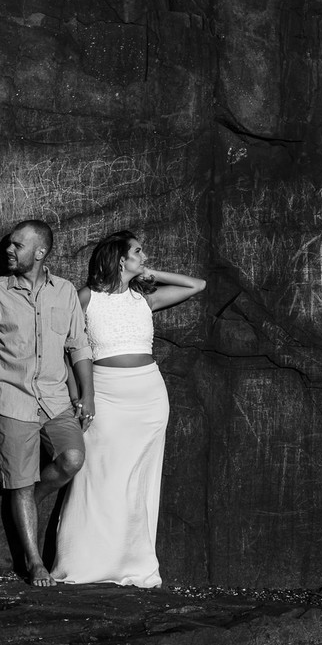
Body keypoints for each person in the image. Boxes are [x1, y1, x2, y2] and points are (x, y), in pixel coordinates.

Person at [51, 230, 205, 588]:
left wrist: (151, 274)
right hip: (104, 393)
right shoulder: (86, 297)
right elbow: (63, 348)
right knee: (97, 477)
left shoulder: (144, 299)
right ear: (120, 259)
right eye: (138, 252)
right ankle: (81, 563)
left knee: (139, 482)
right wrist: (78, 395)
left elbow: (197, 285)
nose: (144, 256)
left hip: (148, 396)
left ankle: (133, 564)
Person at [0, 219, 95, 587]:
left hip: (55, 399)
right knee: (19, 482)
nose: (9, 250)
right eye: (9, 244)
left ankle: (24, 505)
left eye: (17, 245)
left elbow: (78, 345)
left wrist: (88, 394)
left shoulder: (65, 291)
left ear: (40, 252)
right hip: (11, 399)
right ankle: (35, 562)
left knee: (73, 459)